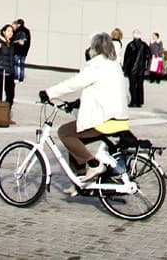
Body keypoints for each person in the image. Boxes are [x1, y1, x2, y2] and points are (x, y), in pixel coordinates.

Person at [45, 31, 133, 181]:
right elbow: (102, 91)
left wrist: (49, 93)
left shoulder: (97, 65)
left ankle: (94, 165)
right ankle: (79, 182)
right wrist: (78, 103)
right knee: (75, 143)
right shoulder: (114, 65)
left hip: (105, 120)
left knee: (65, 133)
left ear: (96, 48)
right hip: (119, 118)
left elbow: (74, 83)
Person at [122, 30, 152, 108]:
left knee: (132, 85)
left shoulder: (130, 45)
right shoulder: (144, 45)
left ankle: (133, 101)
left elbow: (127, 58)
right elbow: (149, 56)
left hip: (132, 69)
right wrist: (146, 66)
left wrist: (125, 68)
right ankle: (140, 101)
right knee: (140, 85)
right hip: (141, 69)